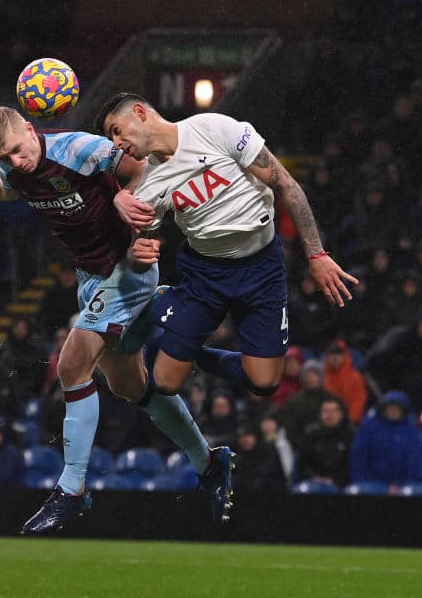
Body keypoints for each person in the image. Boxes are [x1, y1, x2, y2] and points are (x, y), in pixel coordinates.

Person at [0, 106, 226, 531]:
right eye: (5, 156)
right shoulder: (11, 166)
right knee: (128, 385)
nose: (15, 160)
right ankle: (209, 463)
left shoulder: (79, 148)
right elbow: (8, 184)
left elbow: (144, 163)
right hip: (92, 276)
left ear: (31, 131)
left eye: (17, 149)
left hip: (129, 265)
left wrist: (130, 197)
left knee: (71, 364)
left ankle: (72, 489)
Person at [96, 93, 357, 448]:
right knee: (166, 383)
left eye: (116, 130)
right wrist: (137, 248)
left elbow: (285, 183)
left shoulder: (213, 128)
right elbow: (141, 240)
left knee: (265, 383)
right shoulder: (148, 186)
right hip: (206, 274)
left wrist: (317, 254)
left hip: (262, 268)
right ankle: (166, 307)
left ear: (140, 113)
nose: (117, 144)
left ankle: (180, 334)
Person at [348, 391, 422, 494]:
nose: (393, 410)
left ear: (403, 410)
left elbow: (414, 460)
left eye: (397, 407)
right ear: (383, 408)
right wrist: (362, 484)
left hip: (400, 486)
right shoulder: (368, 427)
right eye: (390, 407)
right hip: (369, 484)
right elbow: (358, 456)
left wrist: (403, 485)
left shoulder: (411, 430)